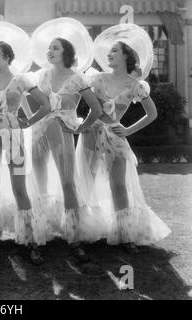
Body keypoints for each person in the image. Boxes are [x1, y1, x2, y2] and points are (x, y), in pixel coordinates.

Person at [76, 24, 171, 249]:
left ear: (126, 56)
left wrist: (127, 130)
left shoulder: (136, 86)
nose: (108, 54)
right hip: (91, 132)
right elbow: (88, 108)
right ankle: (84, 230)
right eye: (109, 52)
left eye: (114, 51)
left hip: (115, 136)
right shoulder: (96, 79)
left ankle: (125, 234)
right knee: (87, 182)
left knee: (118, 185)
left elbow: (152, 113)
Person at [0, 41, 52, 264]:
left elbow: (46, 105)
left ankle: (30, 239)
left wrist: (28, 122)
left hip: (13, 135)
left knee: (19, 186)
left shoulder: (21, 79)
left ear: (8, 57)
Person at [30, 37, 104, 262]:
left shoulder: (76, 78)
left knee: (67, 183)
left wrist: (81, 127)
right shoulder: (41, 75)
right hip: (39, 133)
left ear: (66, 52)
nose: (49, 51)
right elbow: (37, 106)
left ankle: (74, 238)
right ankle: (38, 237)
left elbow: (96, 109)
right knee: (39, 184)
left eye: (55, 48)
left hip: (62, 133)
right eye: (49, 47)